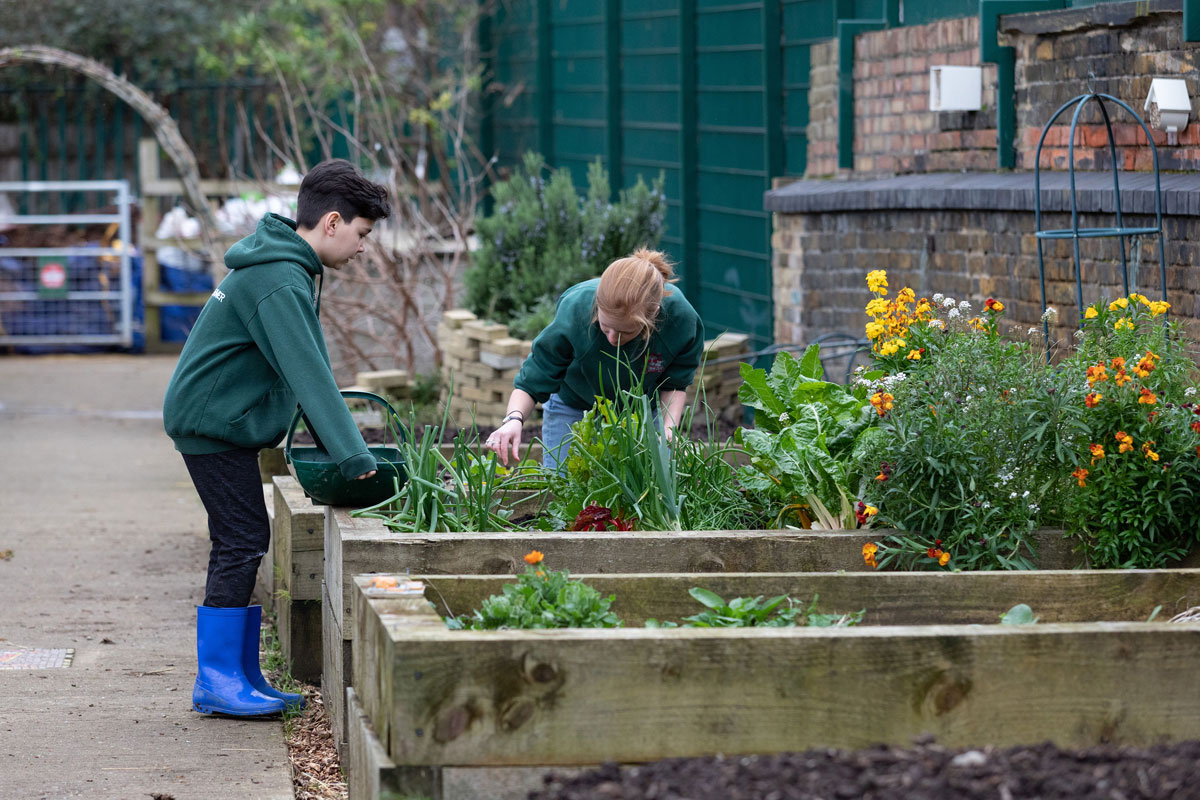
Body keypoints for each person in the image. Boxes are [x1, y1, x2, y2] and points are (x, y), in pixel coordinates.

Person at [163, 159, 390, 716]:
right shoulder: (278, 279)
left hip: (221, 421)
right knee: (241, 541)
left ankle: (238, 672)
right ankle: (216, 680)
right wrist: (354, 456)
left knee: (244, 537)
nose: (364, 248)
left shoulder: (286, 268)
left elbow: (301, 368)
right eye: (362, 234)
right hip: (210, 423)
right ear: (332, 222)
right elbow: (307, 372)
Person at [485, 248, 704, 471]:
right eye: (605, 327)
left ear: (654, 313)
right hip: (574, 404)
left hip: (642, 410)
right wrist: (514, 419)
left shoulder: (681, 320)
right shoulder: (576, 308)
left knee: (647, 489)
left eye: (625, 333)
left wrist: (668, 431)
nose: (611, 339)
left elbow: (675, 384)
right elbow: (535, 377)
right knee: (564, 486)